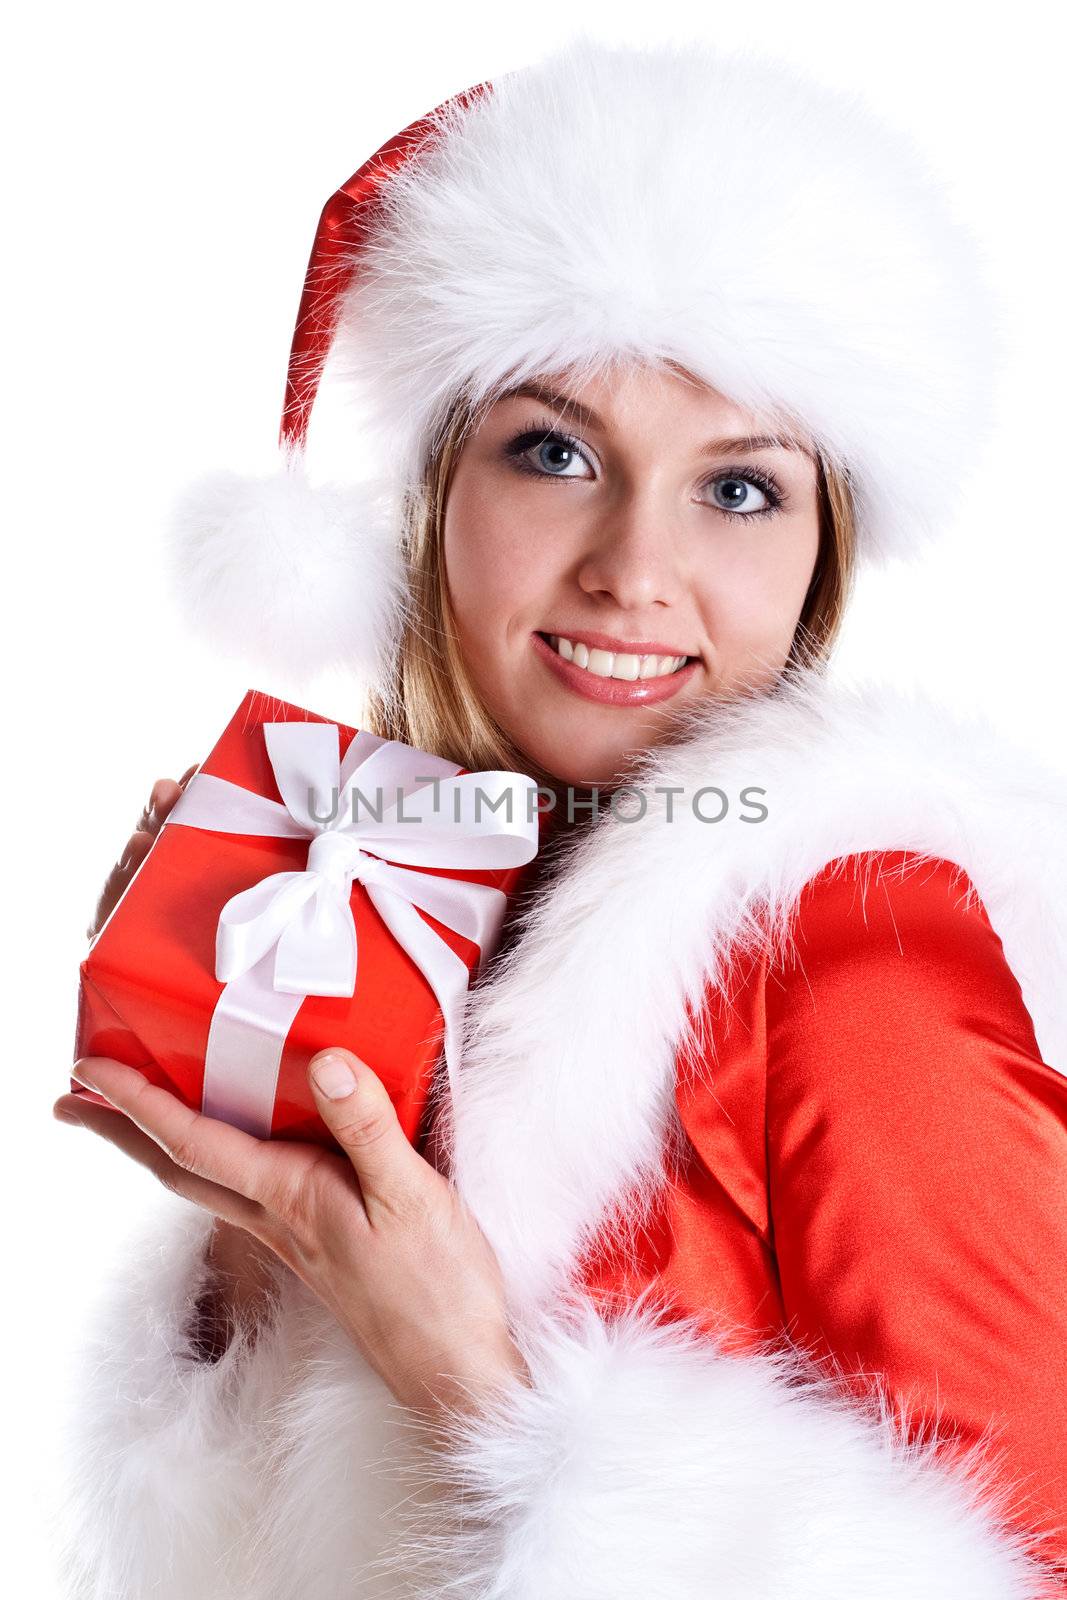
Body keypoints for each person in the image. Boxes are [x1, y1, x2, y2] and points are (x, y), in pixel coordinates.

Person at [52, 35, 1067, 1600]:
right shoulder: (402, 901)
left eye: (739, 490)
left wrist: (476, 1385)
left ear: (822, 553)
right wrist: (262, 1203)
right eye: (555, 451)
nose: (631, 569)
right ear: (436, 491)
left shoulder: (868, 956)